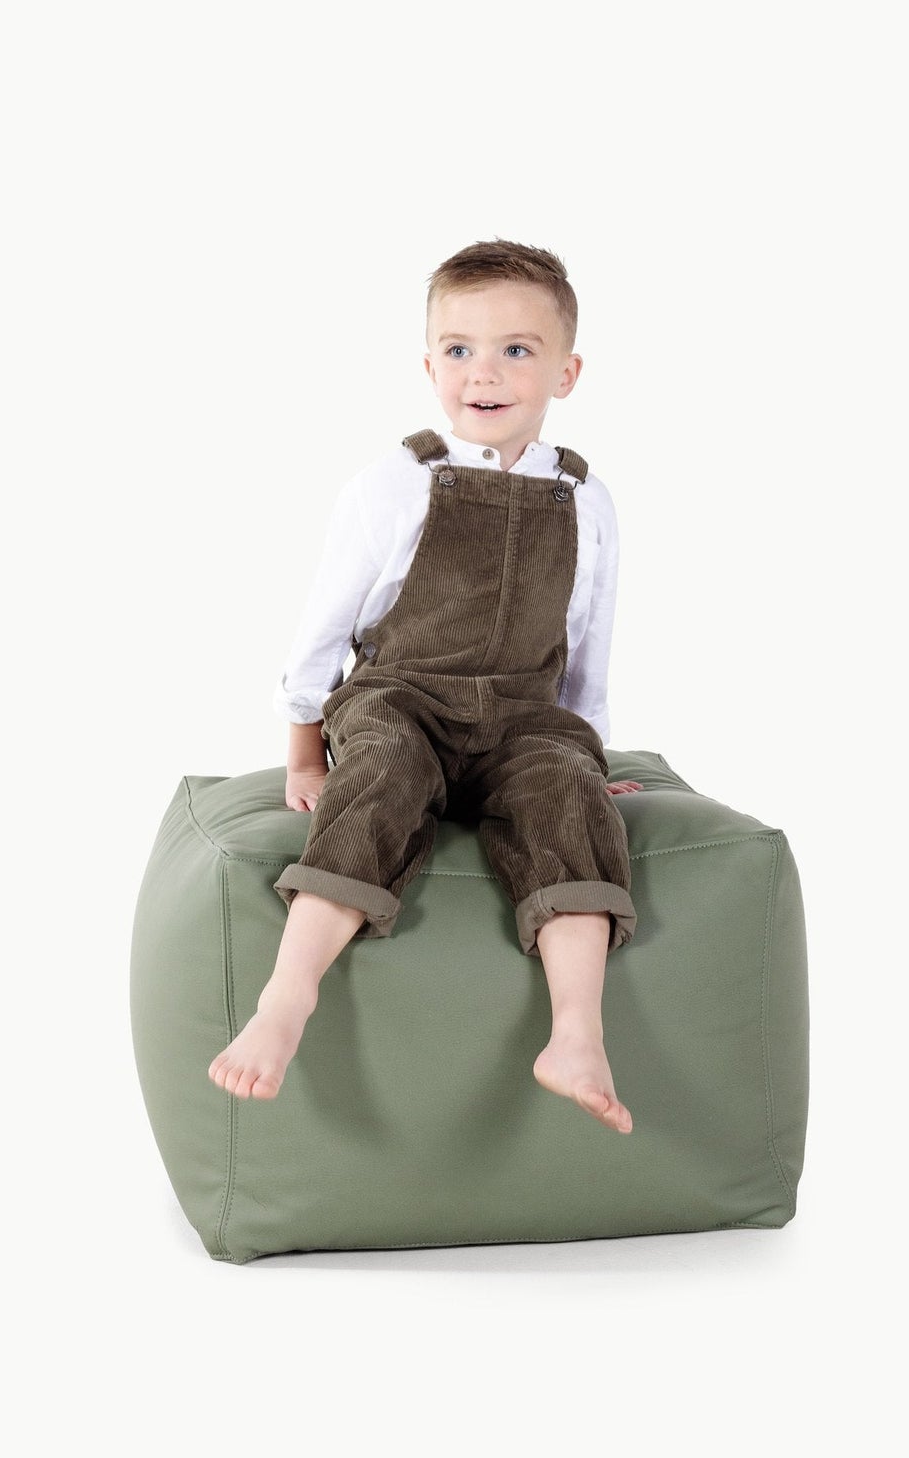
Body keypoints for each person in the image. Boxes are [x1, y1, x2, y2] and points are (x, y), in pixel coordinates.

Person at [208, 239, 643, 1132]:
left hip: (526, 710)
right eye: (458, 349)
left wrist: (586, 749)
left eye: (517, 350)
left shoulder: (585, 499)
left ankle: (576, 1033)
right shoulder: (398, 484)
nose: (483, 372)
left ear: (567, 372)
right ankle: (287, 1001)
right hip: (404, 695)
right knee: (382, 779)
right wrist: (304, 747)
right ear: (429, 362)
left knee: (564, 795)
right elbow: (326, 626)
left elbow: (587, 641)